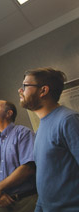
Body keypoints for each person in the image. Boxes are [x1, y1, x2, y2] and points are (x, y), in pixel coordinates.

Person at [18, 67, 79, 212]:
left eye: (25, 86)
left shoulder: (68, 120)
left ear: (43, 91)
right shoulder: (40, 130)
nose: (20, 90)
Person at [0, 100, 37, 212]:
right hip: (1, 202)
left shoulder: (24, 133)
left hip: (25, 201)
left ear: (9, 113)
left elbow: (28, 167)